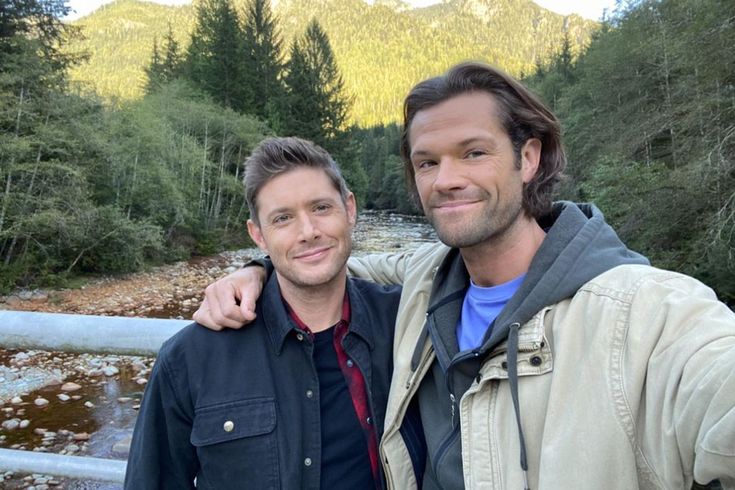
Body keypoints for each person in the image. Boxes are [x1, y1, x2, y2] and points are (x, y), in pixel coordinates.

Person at [193, 63, 735, 489]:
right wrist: (257, 269)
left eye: (473, 153)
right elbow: (329, 260)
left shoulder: (647, 314)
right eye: (427, 162)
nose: (447, 179)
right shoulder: (427, 277)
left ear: (527, 157)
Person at [125, 137, 408, 489]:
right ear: (258, 234)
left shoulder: (406, 322)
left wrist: (257, 269)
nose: (308, 232)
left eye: (321, 208)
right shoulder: (191, 358)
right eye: (283, 218)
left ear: (349, 209)